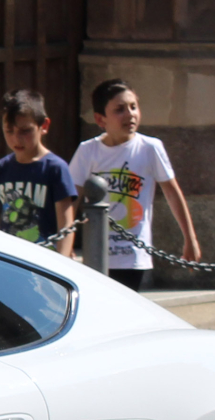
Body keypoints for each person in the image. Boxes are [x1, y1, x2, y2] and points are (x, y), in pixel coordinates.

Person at [69, 78, 201, 289]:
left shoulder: (150, 148)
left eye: (133, 107)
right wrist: (66, 241)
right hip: (96, 252)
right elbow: (71, 199)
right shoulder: (87, 151)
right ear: (100, 119)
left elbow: (172, 193)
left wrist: (190, 238)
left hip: (132, 256)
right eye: (119, 109)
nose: (130, 114)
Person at [0, 88, 78, 252]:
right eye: (9, 131)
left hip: (45, 260)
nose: (16, 139)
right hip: (9, 258)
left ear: (44, 126)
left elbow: (66, 227)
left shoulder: (55, 169)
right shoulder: (1, 168)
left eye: (25, 131)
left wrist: (62, 263)